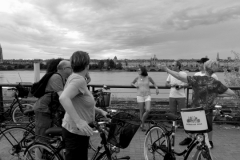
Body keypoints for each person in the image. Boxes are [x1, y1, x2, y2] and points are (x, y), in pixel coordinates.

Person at [159, 60, 236, 149]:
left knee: (198, 139)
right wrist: (214, 93)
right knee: (204, 141)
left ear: (205, 67)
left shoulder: (197, 79)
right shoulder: (215, 82)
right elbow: (231, 93)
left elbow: (179, 76)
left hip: (195, 113)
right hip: (206, 114)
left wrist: (167, 70)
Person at [59, 51, 108, 160]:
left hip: (76, 131)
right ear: (87, 65)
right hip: (75, 132)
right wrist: (79, 121)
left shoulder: (74, 77)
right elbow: (63, 98)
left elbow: (79, 102)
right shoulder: (78, 80)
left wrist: (99, 111)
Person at [179, 57, 219, 146]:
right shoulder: (196, 74)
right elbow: (190, 83)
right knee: (193, 121)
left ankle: (210, 141)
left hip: (207, 103)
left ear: (206, 65)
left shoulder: (213, 76)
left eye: (200, 63)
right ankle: (190, 138)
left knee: (208, 124)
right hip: (195, 102)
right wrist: (182, 85)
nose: (198, 65)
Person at [34, 59, 72, 141]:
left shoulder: (63, 78)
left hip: (50, 109)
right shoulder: (56, 77)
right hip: (43, 109)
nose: (72, 69)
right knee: (41, 138)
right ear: (64, 69)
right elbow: (63, 97)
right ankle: (37, 152)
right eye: (71, 67)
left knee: (51, 135)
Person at [131, 66, 159, 131]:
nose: (138, 71)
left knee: (148, 110)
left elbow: (154, 83)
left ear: (143, 71)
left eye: (139, 70)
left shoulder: (148, 77)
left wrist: (156, 88)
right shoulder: (137, 78)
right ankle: (142, 125)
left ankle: (142, 123)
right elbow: (132, 83)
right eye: (137, 70)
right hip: (140, 95)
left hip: (147, 95)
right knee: (141, 111)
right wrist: (135, 85)